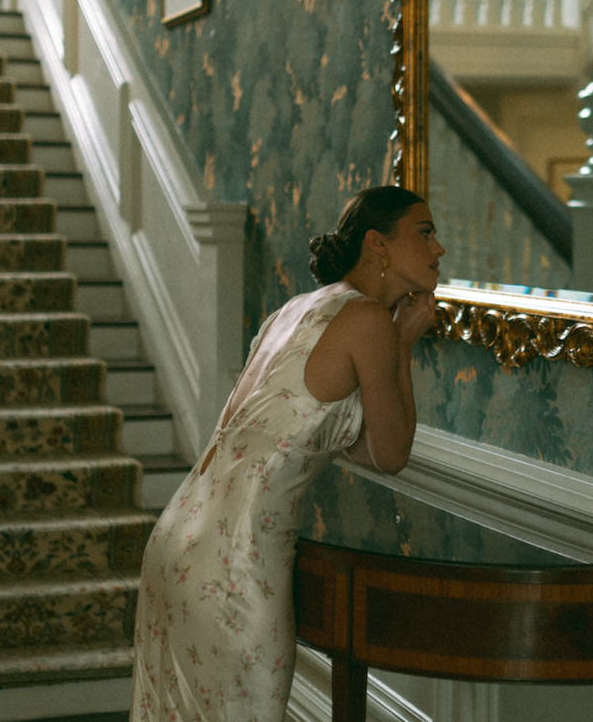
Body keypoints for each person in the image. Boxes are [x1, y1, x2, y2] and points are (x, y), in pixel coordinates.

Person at [130, 186, 444, 722]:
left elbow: (358, 449)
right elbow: (392, 455)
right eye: (425, 232)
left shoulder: (298, 307)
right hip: (236, 560)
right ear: (378, 244)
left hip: (179, 540)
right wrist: (404, 343)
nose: (439, 249)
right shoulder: (368, 320)